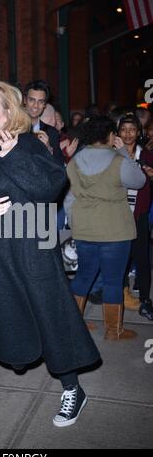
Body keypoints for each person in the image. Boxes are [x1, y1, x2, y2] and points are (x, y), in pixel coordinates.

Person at [0, 80, 100, 434]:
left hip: (29, 255)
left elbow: (51, 188)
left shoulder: (26, 145)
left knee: (51, 323)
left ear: (8, 114)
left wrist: (11, 154)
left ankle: (73, 390)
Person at [64, 115, 146, 339]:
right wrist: (123, 153)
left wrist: (76, 223)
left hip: (85, 230)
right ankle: (113, 330)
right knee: (113, 280)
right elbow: (139, 181)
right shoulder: (118, 160)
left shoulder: (75, 161)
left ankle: (72, 325)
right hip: (114, 231)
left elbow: (69, 198)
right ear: (110, 135)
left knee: (83, 276)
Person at [118, 114, 153, 321]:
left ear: (138, 132)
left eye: (132, 130)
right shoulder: (113, 154)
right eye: (124, 129)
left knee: (142, 258)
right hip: (118, 215)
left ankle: (145, 300)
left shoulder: (147, 155)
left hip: (138, 214)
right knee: (121, 256)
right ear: (118, 132)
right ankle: (122, 294)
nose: (128, 134)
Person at [23, 80, 64, 165]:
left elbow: (60, 168)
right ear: (25, 100)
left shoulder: (52, 133)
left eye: (40, 102)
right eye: (32, 100)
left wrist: (48, 149)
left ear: (45, 105)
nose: (36, 106)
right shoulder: (13, 129)